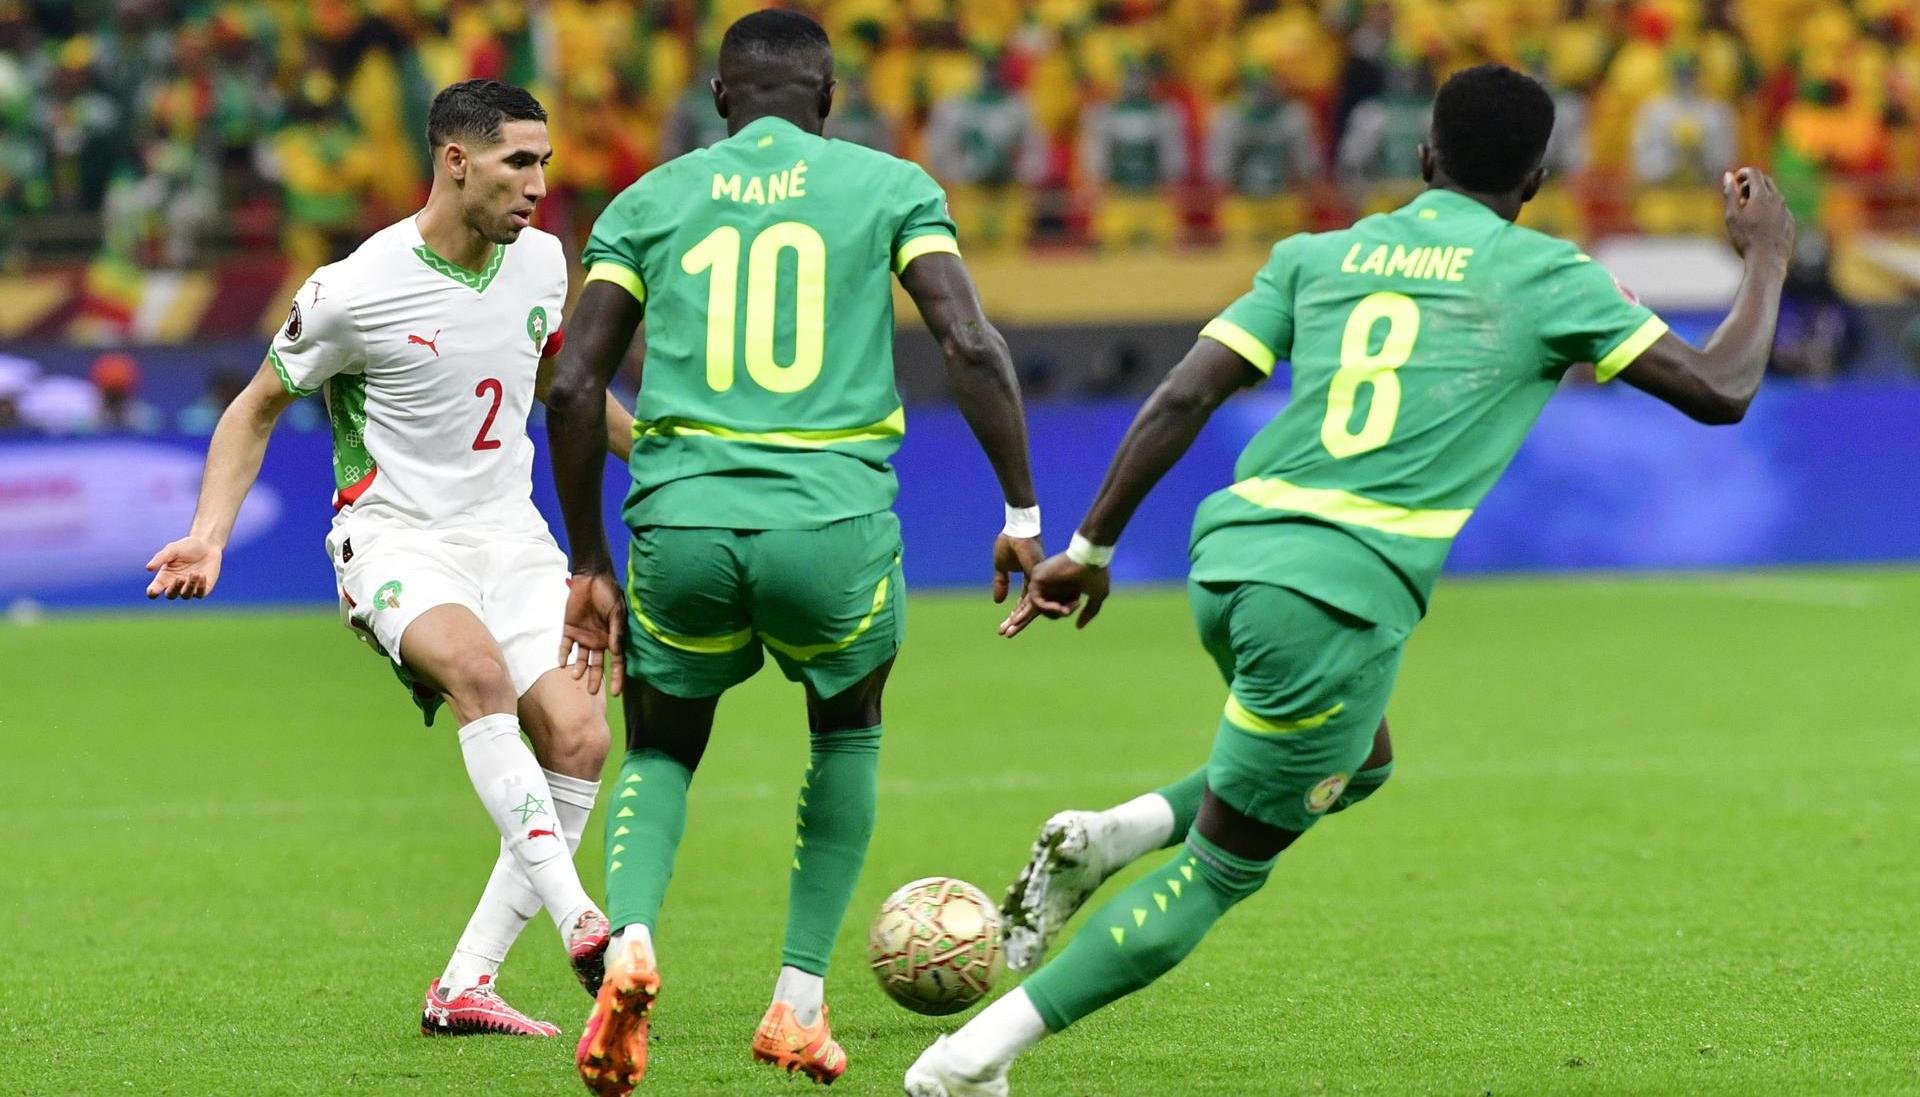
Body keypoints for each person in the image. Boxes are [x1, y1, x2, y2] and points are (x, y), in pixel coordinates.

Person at [905, 63, 1794, 1096]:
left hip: (1233, 558)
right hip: (1334, 595)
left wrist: (1091, 547)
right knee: (1223, 868)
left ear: (1423, 159)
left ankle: (1107, 837)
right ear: (1539, 176)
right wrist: (1766, 257)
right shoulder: (1555, 274)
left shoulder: (1316, 255)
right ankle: (968, 1061)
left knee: (1358, 758)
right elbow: (1725, 387)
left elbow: (1184, 394)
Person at [543, 10, 1042, 1094]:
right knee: (846, 736)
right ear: (828, 100)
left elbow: (576, 384)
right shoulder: (891, 187)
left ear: (720, 99)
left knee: (665, 750)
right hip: (832, 527)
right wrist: (1023, 511)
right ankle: (799, 1002)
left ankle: (628, 941)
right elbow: (966, 339)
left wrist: (589, 556)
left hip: (681, 525)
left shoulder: (651, 201)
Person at [144, 79, 638, 1040]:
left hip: (513, 538)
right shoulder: (353, 290)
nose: (539, 185)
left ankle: (465, 985)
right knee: (480, 674)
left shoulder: (541, 263)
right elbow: (254, 406)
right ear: (456, 162)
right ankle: (585, 921)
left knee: (580, 738)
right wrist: (209, 532)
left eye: (545, 163)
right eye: (518, 163)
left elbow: (557, 387)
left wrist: (667, 454)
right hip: (394, 536)